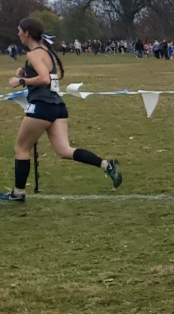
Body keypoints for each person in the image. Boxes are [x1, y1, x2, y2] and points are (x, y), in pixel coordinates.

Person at [3, 17, 122, 203]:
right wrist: (26, 73)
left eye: (19, 30)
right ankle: (106, 164)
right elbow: (50, 76)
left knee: (21, 148)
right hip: (57, 106)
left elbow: (44, 79)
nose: (18, 33)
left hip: (42, 107)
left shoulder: (33, 54)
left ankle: (18, 193)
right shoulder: (46, 51)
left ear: (26, 33)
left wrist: (21, 81)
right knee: (64, 150)